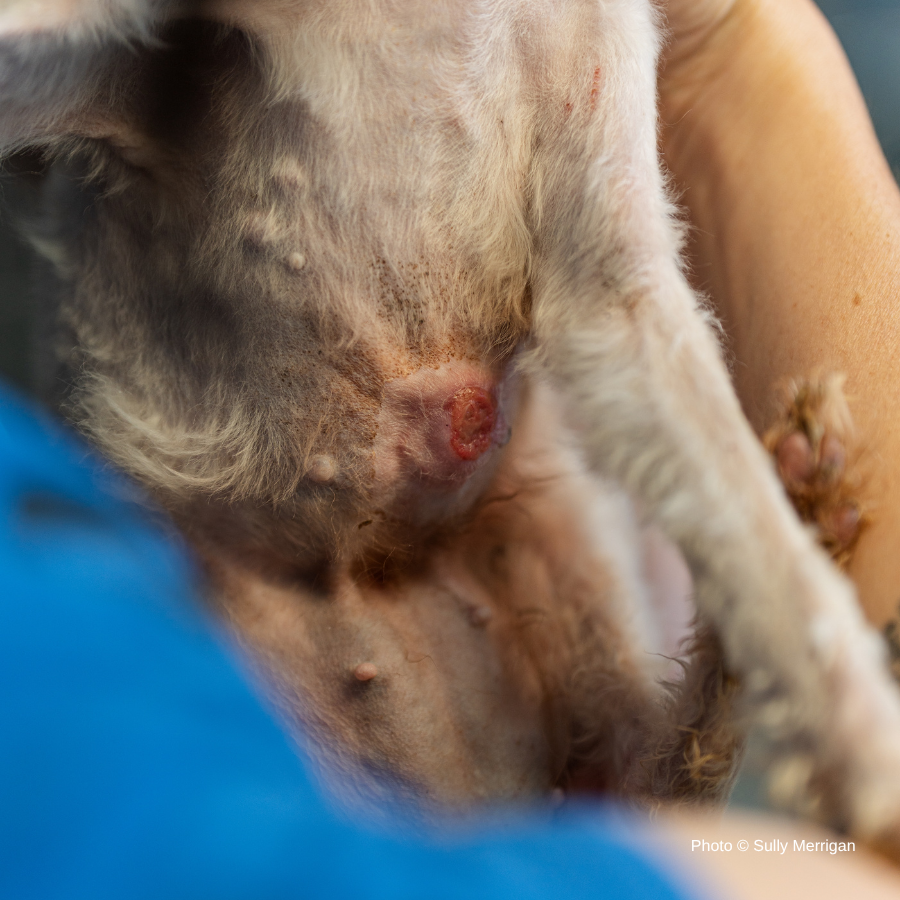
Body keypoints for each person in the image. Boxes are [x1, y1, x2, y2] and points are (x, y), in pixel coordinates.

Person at [3, 0, 900, 897]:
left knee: (645, 749)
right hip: (232, 610)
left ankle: (746, 683)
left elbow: (621, 300)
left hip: (482, 585)